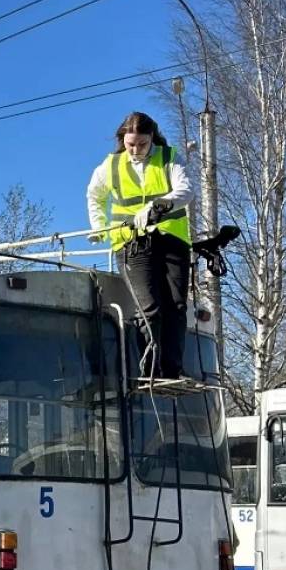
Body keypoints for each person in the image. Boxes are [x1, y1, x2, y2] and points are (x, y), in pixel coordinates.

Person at [87, 111, 194, 380]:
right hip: (131, 242)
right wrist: (99, 226)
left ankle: (173, 370)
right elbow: (94, 196)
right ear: (122, 139)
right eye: (130, 143)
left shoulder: (169, 158)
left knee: (177, 307)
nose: (136, 150)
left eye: (142, 144)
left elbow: (187, 190)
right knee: (150, 308)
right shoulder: (110, 166)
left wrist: (160, 205)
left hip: (171, 239)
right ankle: (150, 370)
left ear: (152, 139)